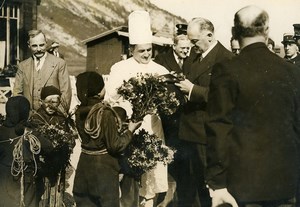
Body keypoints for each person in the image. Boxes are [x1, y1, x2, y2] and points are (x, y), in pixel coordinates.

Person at [205, 5, 300, 207]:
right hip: (285, 182)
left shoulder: (226, 70)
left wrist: (218, 183)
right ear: (267, 31)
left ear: (234, 32)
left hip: (241, 185)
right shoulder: (291, 72)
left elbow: (218, 127)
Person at [104, 10, 169, 207]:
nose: (147, 54)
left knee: (150, 179)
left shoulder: (160, 70)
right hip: (129, 130)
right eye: (142, 51)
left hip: (153, 129)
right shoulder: (119, 68)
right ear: (132, 49)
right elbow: (110, 98)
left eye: (149, 50)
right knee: (129, 180)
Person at [174, 17, 233, 207]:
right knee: (191, 188)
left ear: (209, 35)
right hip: (189, 133)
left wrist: (191, 90)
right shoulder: (195, 56)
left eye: (194, 41)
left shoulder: (225, 59)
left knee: (208, 189)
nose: (191, 46)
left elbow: (223, 95)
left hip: (205, 135)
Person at [72, 71, 141, 207]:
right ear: (98, 93)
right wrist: (130, 130)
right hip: (103, 169)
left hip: (84, 166)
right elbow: (115, 146)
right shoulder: (105, 113)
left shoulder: (79, 111)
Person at [29, 85, 75, 207]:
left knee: (56, 196)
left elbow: (70, 138)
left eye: (56, 102)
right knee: (41, 195)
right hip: (41, 165)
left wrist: (67, 143)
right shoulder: (35, 118)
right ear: (41, 102)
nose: (51, 106)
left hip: (58, 165)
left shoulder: (61, 118)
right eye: (48, 102)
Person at [13, 30, 72, 111]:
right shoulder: (22, 66)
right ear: (29, 45)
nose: (39, 49)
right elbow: (17, 94)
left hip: (53, 118)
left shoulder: (59, 63)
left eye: (41, 45)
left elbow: (66, 93)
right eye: (34, 46)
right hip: (28, 118)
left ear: (46, 43)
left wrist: (59, 116)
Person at [0, 96, 37, 206]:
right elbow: (48, 147)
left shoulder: (1, 131)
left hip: (3, 180)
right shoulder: (30, 132)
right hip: (25, 180)